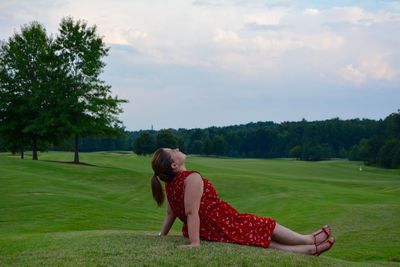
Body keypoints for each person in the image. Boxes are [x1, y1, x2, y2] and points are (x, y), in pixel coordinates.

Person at [150, 148, 335, 256]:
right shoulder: (191, 178)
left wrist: (161, 235)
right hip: (220, 222)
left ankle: (308, 247)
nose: (176, 148)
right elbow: (191, 213)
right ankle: (307, 241)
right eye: (172, 151)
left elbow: (171, 213)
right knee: (264, 225)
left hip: (211, 227)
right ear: (174, 165)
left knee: (253, 238)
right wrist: (194, 243)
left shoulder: (171, 184)